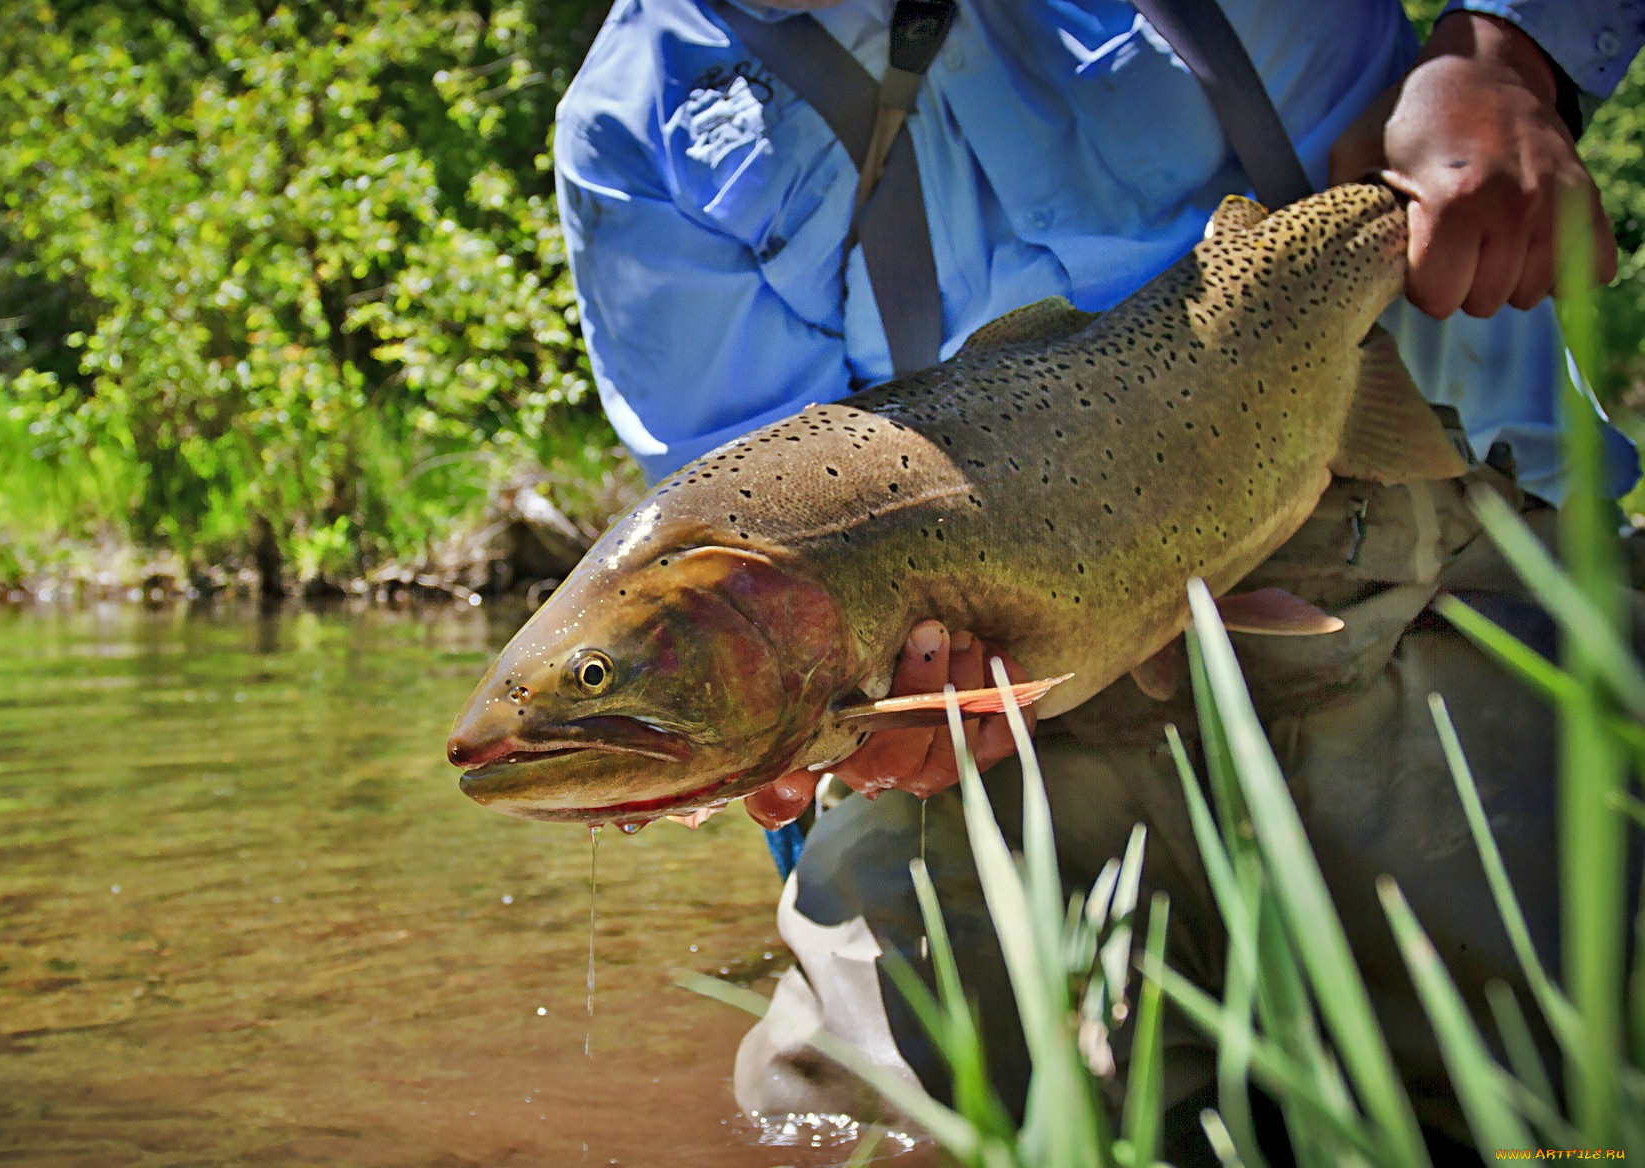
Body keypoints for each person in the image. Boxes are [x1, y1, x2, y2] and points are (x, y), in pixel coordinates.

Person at [553, 0, 1644, 1153]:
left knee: (1544, 1119)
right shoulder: (635, 130)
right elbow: (754, 523)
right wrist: (830, 752)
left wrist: (1512, 54)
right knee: (848, 1128)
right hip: (1008, 717)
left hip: (1423, 584)